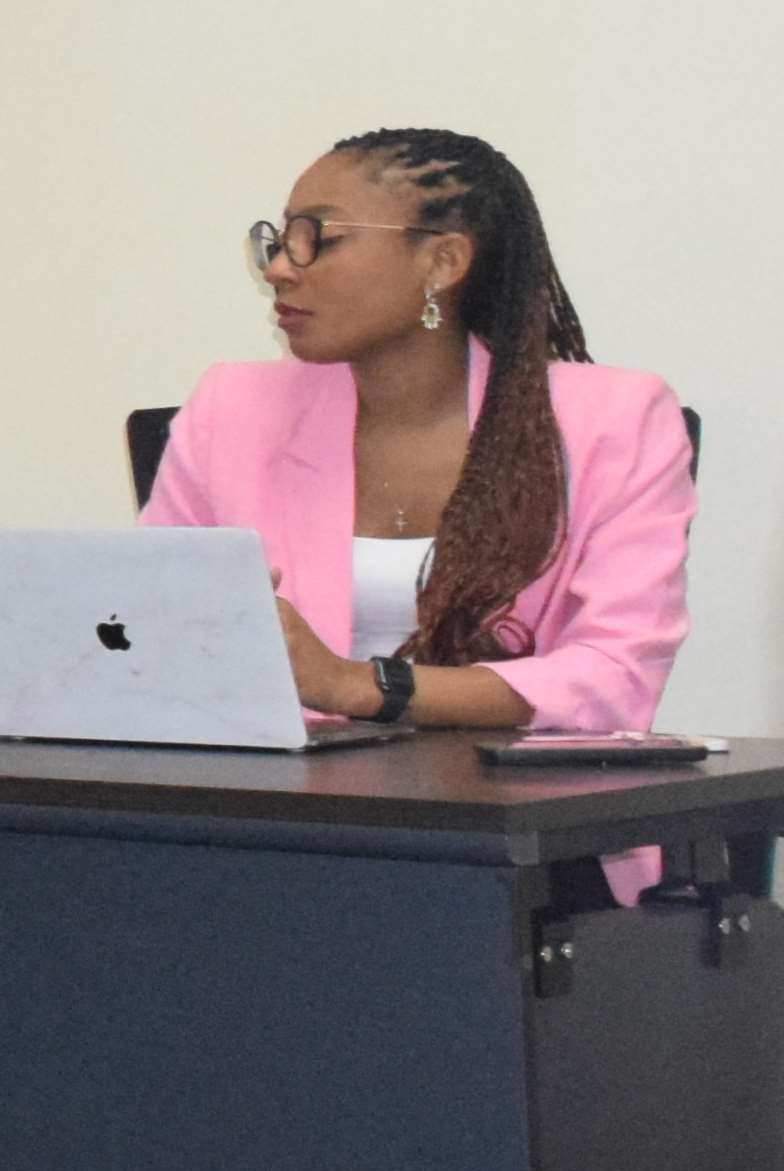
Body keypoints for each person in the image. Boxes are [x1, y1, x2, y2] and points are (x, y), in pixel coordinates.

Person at [146, 129, 685, 751]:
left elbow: (615, 676)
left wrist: (361, 688)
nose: (279, 270)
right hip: (279, 806)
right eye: (280, 239)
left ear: (442, 262)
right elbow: (151, 632)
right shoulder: (231, 409)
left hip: (517, 817)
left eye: (316, 238)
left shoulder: (616, 419)